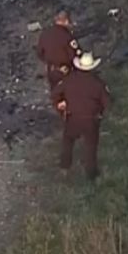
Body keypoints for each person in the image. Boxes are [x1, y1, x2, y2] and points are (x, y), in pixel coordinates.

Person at [51, 52, 111, 181]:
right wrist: (100, 112)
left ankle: (64, 168)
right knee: (90, 147)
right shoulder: (98, 83)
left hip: (73, 118)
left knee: (67, 142)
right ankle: (91, 174)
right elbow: (107, 103)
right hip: (91, 120)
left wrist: (60, 105)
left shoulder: (69, 79)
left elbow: (55, 93)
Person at [36, 11, 82, 91]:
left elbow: (40, 53)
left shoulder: (45, 34)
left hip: (52, 71)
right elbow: (74, 54)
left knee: (56, 94)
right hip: (67, 71)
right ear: (66, 21)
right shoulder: (67, 36)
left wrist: (49, 61)